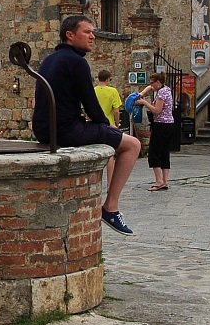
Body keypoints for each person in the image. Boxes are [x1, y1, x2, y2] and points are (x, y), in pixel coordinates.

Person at [32, 15, 142, 235]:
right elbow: (91, 104)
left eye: (93, 32)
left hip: (44, 130)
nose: (93, 36)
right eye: (87, 32)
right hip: (66, 131)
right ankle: (110, 208)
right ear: (69, 35)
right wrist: (107, 128)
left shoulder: (49, 60)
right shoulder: (76, 61)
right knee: (132, 145)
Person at [137, 72, 175, 191]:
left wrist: (144, 102)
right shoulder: (166, 89)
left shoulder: (161, 93)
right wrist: (142, 93)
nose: (150, 86)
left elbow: (157, 110)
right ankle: (164, 181)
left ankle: (159, 181)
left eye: (152, 83)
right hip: (169, 124)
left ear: (158, 82)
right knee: (164, 152)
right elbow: (150, 87)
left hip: (161, 125)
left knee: (154, 152)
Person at [94, 69, 122, 182]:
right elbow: (116, 110)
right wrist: (116, 123)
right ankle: (110, 183)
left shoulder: (93, 90)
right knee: (110, 155)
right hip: (108, 123)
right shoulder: (112, 91)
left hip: (95, 124)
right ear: (107, 79)